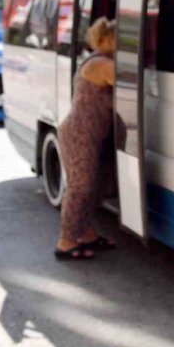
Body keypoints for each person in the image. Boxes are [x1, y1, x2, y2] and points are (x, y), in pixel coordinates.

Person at [54, 17, 118, 261]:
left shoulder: (96, 60)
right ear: (108, 39)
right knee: (80, 188)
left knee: (92, 187)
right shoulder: (102, 64)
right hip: (81, 133)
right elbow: (130, 83)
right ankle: (66, 241)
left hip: (87, 132)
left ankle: (87, 233)